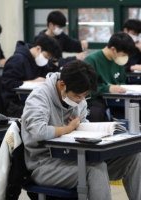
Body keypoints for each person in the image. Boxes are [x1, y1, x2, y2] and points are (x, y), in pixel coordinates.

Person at [21, 60, 141, 200]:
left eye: (84, 96)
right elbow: (38, 132)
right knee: (96, 170)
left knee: (134, 158)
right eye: (78, 96)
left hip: (77, 157)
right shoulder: (40, 96)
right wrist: (68, 128)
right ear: (62, 85)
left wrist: (82, 127)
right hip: (45, 164)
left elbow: (81, 126)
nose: (81, 101)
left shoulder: (79, 98)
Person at [0, 35, 61, 117]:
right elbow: (7, 82)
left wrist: (55, 63)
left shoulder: (39, 61)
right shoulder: (18, 59)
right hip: (14, 103)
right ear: (38, 49)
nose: (47, 60)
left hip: (32, 100)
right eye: (47, 56)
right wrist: (31, 82)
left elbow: (49, 76)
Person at [84, 32, 135, 122]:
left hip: (116, 100)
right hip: (96, 100)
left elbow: (122, 82)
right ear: (113, 49)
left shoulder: (117, 61)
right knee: (97, 111)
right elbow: (85, 90)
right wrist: (107, 88)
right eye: (123, 55)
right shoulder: (91, 60)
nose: (124, 58)